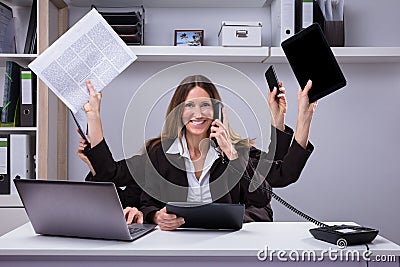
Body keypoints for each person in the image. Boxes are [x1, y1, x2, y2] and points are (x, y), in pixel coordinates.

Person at [78, 75, 317, 230]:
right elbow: (114, 174)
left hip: (228, 247)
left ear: (217, 111)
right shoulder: (159, 153)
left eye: (205, 105)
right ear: (178, 112)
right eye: (189, 106)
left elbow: (279, 178)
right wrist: (94, 117)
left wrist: (300, 118)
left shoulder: (236, 150)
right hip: (175, 248)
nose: (198, 113)